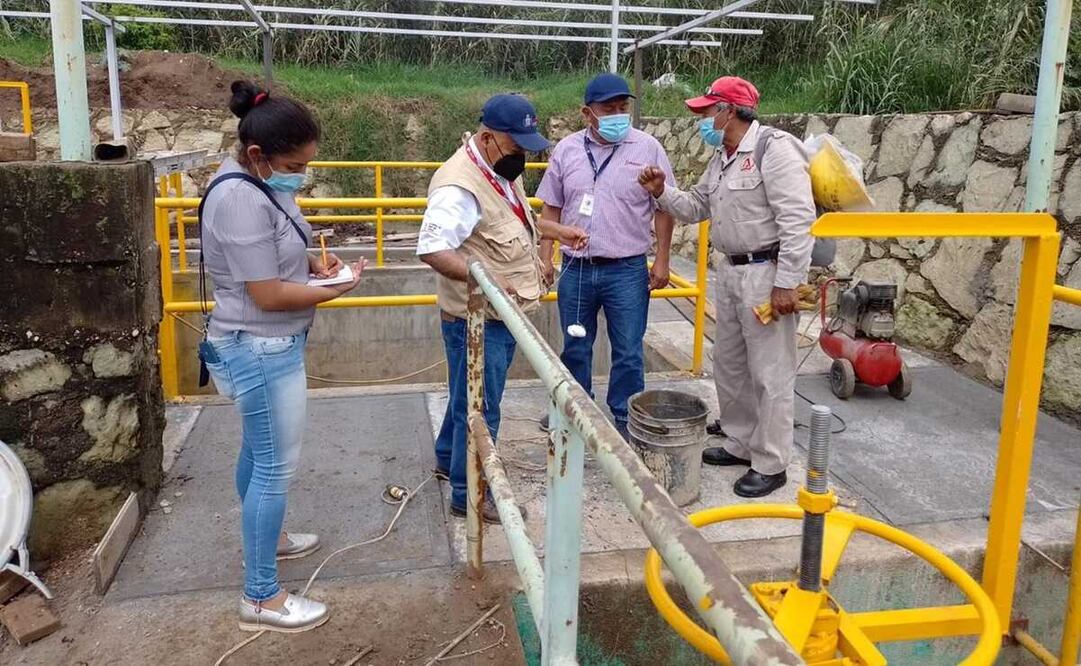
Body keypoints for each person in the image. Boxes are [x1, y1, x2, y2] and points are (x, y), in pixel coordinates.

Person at [200, 81, 363, 633]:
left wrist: (314, 270)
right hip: (259, 345)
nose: (302, 173)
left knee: (259, 451)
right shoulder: (240, 196)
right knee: (274, 465)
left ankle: (268, 541)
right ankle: (262, 597)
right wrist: (332, 290)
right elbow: (266, 294)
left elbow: (277, 264)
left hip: (268, 342)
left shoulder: (263, 184)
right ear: (256, 155)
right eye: (295, 164)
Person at [638, 76, 815, 498]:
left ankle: (771, 462)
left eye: (706, 111)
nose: (702, 119)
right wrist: (662, 192)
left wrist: (787, 283)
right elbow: (696, 204)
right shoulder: (722, 157)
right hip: (731, 273)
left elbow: (797, 220)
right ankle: (739, 441)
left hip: (765, 273)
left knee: (770, 371)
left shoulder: (774, 149)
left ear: (729, 111)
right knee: (730, 362)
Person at [418, 94, 587, 523]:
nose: (524, 158)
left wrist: (556, 230)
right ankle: (469, 491)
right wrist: (489, 283)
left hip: (495, 314)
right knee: (482, 405)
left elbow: (511, 219)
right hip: (477, 317)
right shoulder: (459, 184)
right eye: (518, 148)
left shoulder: (494, 169)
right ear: (489, 138)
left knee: (465, 393)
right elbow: (433, 248)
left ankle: (446, 458)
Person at [534, 73, 676, 440]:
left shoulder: (648, 148)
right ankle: (573, 411)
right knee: (575, 346)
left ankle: (626, 419)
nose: (618, 114)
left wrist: (661, 259)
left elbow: (664, 206)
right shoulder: (566, 150)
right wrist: (544, 257)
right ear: (587, 113)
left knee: (628, 351)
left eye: (623, 107)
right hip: (576, 269)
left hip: (626, 270)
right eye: (608, 108)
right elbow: (551, 207)